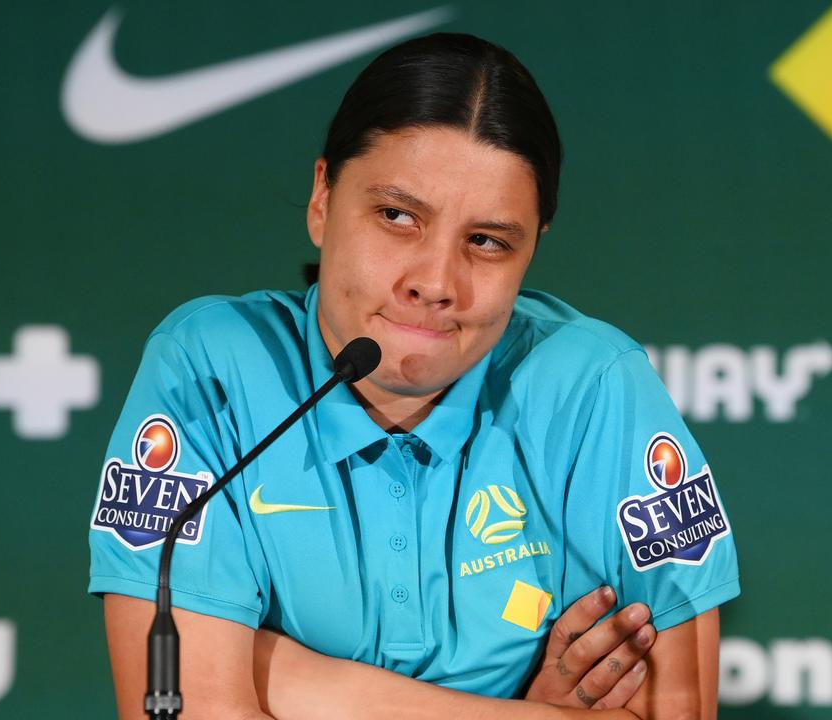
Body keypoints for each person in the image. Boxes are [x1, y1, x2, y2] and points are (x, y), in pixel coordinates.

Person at [90, 32, 739, 719]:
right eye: (398, 216)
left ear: (532, 251)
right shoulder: (210, 368)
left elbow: (677, 710)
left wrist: (299, 682)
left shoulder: (594, 386)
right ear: (322, 199)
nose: (435, 282)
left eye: (486, 241)